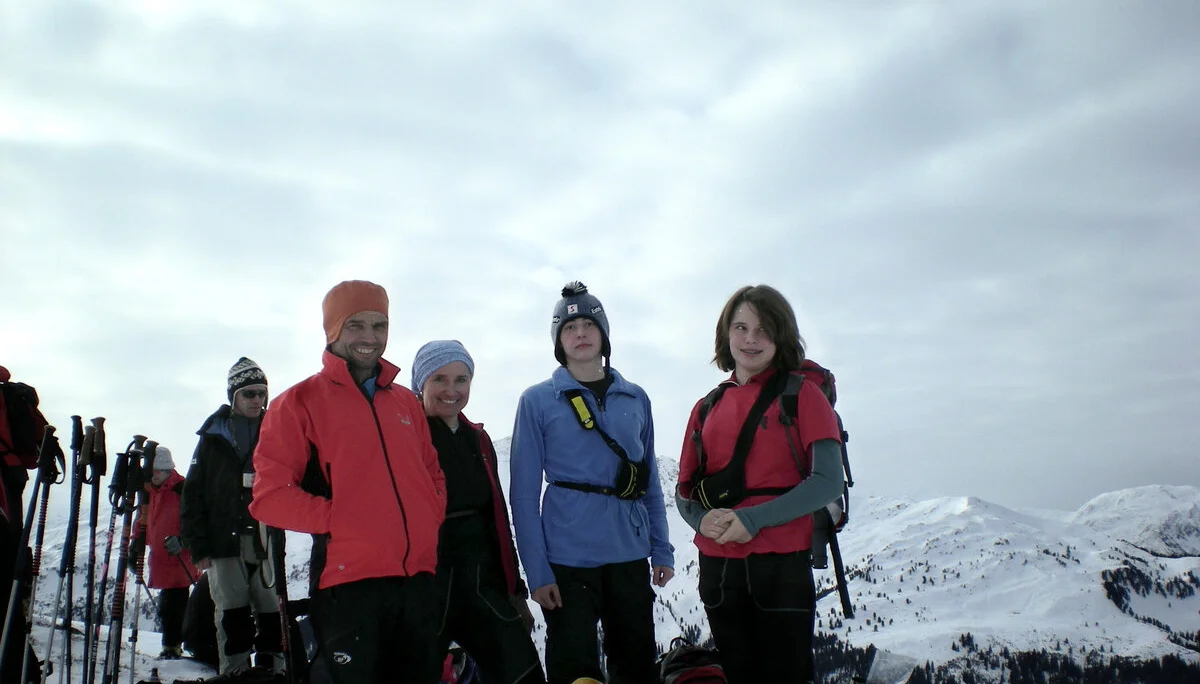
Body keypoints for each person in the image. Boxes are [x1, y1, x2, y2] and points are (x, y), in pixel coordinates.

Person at [249, 280, 448, 684]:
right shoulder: (299, 403)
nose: (370, 338)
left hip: (419, 584)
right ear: (333, 330)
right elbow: (269, 497)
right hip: (349, 586)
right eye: (356, 325)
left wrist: (429, 513)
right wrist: (342, 519)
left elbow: (432, 471)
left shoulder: (405, 402)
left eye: (380, 326)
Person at [675, 285, 845, 684]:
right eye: (741, 327)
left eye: (764, 329)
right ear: (726, 333)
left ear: (781, 336)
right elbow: (685, 491)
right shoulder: (706, 407)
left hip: (781, 564)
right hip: (718, 566)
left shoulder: (802, 396)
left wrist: (753, 519)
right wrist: (700, 522)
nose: (751, 339)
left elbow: (827, 481)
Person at [509, 281, 674, 684]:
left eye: (588, 324)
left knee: (635, 665)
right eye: (569, 327)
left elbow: (647, 481)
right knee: (574, 669)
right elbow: (524, 495)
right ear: (558, 341)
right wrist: (537, 571)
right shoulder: (537, 401)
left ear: (603, 334)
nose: (580, 333)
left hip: (629, 553)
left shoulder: (635, 398)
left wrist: (662, 550)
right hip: (567, 559)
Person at [411, 340, 545, 684]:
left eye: (461, 379)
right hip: (424, 585)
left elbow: (496, 517)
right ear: (420, 383)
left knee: (522, 671)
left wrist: (514, 591)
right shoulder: (405, 438)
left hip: (482, 579)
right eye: (439, 379)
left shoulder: (477, 440)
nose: (451, 390)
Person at [180, 357, 283, 675]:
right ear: (233, 396)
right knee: (231, 614)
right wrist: (199, 548)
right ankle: (235, 673)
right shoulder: (211, 439)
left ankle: (274, 672)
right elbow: (193, 497)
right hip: (224, 542)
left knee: (271, 614)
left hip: (265, 540)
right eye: (249, 393)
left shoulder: (278, 432)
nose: (256, 400)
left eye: (261, 393)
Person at [129, 445, 197, 659]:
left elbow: (197, 522)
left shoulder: (183, 489)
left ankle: (172, 646)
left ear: (167, 470)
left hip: (180, 559)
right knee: (167, 606)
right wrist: (134, 547)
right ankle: (171, 645)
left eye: (158, 471)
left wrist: (184, 541)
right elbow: (142, 521)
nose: (154, 475)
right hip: (159, 559)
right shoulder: (150, 493)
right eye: (152, 471)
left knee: (175, 604)